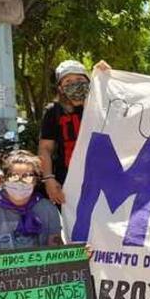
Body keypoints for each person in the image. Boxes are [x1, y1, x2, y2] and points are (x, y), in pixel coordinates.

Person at [0, 151, 64, 299]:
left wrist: (74, 255)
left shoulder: (47, 208)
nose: (20, 182)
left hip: (36, 276)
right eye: (14, 176)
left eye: (27, 177)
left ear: (35, 181)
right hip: (0, 279)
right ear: (5, 179)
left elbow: (54, 246)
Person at [38, 59, 110, 205]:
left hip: (103, 180)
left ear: (88, 81)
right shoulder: (54, 111)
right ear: (60, 88)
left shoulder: (103, 106)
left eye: (79, 79)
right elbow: (45, 148)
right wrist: (48, 179)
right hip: (68, 183)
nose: (74, 84)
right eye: (68, 81)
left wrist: (106, 77)